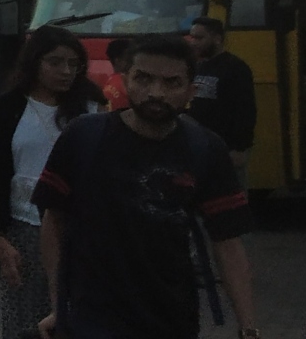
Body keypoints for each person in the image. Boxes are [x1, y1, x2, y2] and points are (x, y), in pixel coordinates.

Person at [32, 35, 257, 339]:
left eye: (171, 83)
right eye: (144, 78)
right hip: (94, 316)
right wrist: (59, 305)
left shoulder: (205, 148)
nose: (156, 92)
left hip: (172, 317)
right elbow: (54, 220)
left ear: (190, 91)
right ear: (125, 80)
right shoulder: (83, 137)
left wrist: (248, 327)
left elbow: (228, 243)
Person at [0, 26, 105, 339]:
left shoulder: (92, 107)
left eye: (73, 64)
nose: (66, 71)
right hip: (24, 230)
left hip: (81, 230)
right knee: (25, 319)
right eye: (55, 62)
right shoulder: (7, 108)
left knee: (78, 316)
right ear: (35, 62)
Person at [186, 17, 257, 178]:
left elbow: (245, 110)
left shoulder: (235, 68)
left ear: (217, 39)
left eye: (199, 38)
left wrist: (239, 148)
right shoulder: (199, 66)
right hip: (201, 144)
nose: (193, 43)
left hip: (227, 147)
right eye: (192, 37)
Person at [100, 39, 133, 111]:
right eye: (129, 59)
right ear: (118, 61)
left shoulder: (110, 81)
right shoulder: (128, 83)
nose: (133, 62)